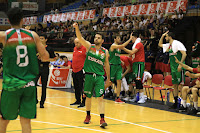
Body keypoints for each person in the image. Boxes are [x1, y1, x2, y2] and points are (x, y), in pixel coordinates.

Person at [0, 7, 49, 133]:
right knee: (26, 121)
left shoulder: (4, 35)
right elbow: (45, 57)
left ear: (9, 21)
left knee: (4, 120)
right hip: (29, 84)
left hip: (12, 85)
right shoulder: (33, 35)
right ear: (22, 20)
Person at [73, 22, 110, 128]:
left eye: (98, 38)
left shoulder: (105, 52)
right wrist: (76, 28)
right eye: (95, 37)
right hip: (88, 76)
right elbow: (80, 38)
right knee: (88, 97)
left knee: (100, 98)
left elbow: (107, 65)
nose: (96, 39)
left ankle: (102, 119)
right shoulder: (89, 47)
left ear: (102, 40)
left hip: (99, 77)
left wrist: (109, 78)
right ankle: (88, 116)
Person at [158, 31, 187, 109]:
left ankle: (183, 104)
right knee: (175, 86)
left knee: (181, 86)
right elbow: (160, 44)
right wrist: (162, 36)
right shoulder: (169, 46)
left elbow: (184, 54)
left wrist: (181, 64)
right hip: (173, 68)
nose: (165, 38)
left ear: (170, 37)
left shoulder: (177, 43)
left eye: (166, 36)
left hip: (179, 68)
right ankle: (176, 102)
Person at [104, 34, 133, 103]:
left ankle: (118, 98)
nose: (119, 39)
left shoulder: (118, 49)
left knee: (119, 81)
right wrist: (130, 39)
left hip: (118, 66)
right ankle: (100, 91)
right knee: (110, 82)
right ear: (115, 39)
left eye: (119, 38)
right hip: (112, 66)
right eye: (118, 38)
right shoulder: (113, 46)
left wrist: (120, 61)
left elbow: (116, 56)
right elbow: (123, 46)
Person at [122, 33, 146, 103]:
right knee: (135, 80)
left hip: (139, 63)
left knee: (138, 80)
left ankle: (142, 97)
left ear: (135, 37)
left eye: (132, 38)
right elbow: (131, 53)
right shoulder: (135, 45)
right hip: (135, 63)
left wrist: (123, 48)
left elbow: (132, 52)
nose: (131, 40)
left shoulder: (139, 44)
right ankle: (137, 96)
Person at [35, 34, 56, 108]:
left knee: (44, 86)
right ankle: (35, 99)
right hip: (37, 67)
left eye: (42, 38)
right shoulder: (36, 48)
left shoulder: (49, 49)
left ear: (46, 40)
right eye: (39, 38)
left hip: (45, 67)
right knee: (33, 83)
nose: (40, 40)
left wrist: (46, 59)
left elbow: (54, 58)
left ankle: (42, 102)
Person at [70, 38, 86, 108]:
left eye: (77, 43)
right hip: (74, 70)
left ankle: (84, 101)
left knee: (82, 87)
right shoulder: (74, 48)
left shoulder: (85, 49)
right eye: (75, 43)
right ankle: (78, 100)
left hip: (81, 70)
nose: (76, 44)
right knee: (76, 86)